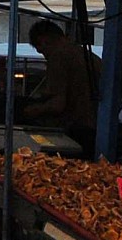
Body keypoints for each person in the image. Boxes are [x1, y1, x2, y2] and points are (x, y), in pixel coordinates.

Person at [20, 20, 99, 152]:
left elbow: (57, 105)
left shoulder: (58, 56)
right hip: (97, 129)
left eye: (42, 51)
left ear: (44, 40)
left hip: (77, 133)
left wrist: (31, 110)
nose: (45, 56)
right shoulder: (86, 54)